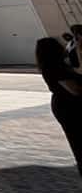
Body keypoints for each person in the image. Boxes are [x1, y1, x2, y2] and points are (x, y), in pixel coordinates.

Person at [35, 36, 82, 177]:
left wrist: (78, 47)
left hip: (67, 105)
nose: (64, 47)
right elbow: (75, 89)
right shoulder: (54, 67)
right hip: (69, 107)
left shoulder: (60, 64)